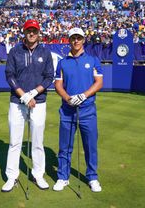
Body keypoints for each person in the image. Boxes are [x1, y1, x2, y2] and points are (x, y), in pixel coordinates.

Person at [2, 19, 54, 192]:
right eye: (28, 30)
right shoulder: (15, 51)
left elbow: (49, 77)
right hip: (17, 102)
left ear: (39, 32)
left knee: (38, 142)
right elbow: (9, 75)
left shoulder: (45, 53)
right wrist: (23, 95)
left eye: (34, 30)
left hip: (38, 102)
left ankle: (38, 175)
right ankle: (12, 176)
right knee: (15, 142)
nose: (31, 33)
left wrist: (33, 93)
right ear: (24, 32)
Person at [53, 27, 103, 192]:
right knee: (65, 146)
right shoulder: (62, 62)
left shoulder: (93, 60)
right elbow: (58, 84)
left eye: (79, 38)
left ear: (83, 40)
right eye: (73, 38)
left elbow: (98, 83)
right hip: (67, 110)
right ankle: (62, 177)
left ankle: (92, 177)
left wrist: (83, 96)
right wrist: (68, 98)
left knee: (90, 145)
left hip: (88, 109)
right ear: (69, 40)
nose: (76, 41)